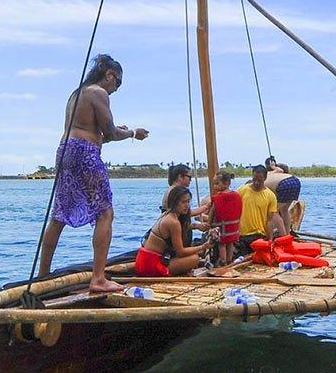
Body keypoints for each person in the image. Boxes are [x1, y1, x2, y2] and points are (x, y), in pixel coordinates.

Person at [37, 54, 148, 293]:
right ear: (109, 74)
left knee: (59, 215)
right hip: (85, 152)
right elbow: (108, 131)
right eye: (116, 84)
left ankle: (42, 275)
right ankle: (98, 278)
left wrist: (114, 132)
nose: (115, 89)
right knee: (105, 213)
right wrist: (132, 133)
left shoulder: (76, 95)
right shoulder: (99, 93)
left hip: (65, 151)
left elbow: (93, 132)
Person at [136, 186, 212, 276]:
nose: (187, 205)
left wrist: (205, 209)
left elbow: (193, 212)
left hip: (144, 260)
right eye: (183, 202)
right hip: (151, 265)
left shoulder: (168, 214)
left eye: (188, 202)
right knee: (195, 259)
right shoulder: (173, 222)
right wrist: (203, 246)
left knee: (194, 255)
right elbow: (181, 252)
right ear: (174, 203)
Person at [236, 164, 279, 254]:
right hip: (243, 234)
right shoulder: (241, 191)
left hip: (260, 235)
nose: (256, 182)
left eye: (259, 180)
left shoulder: (270, 196)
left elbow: (270, 220)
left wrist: (270, 239)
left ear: (265, 178)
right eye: (254, 179)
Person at [205, 171, 242, 264]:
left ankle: (223, 261)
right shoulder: (237, 196)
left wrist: (208, 224)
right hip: (233, 227)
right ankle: (229, 260)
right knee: (230, 243)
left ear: (226, 183)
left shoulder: (217, 198)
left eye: (217, 183)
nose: (215, 186)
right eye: (214, 184)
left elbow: (212, 212)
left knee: (221, 244)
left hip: (221, 227)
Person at [263, 163, 301, 236]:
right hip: (295, 180)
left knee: (274, 212)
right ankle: (287, 233)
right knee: (284, 210)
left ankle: (284, 236)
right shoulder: (273, 172)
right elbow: (280, 169)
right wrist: (273, 167)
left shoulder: (261, 181)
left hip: (284, 184)